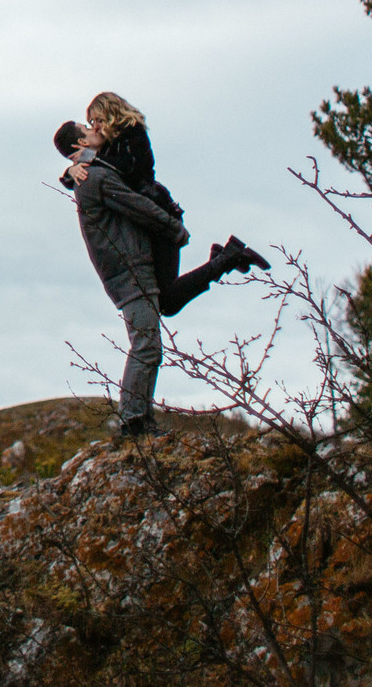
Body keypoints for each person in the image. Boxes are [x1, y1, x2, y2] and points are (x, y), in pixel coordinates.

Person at [69, 92, 268, 316]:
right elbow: (87, 177)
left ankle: (227, 257)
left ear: (110, 114)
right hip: (151, 220)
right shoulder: (110, 148)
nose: (94, 127)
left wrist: (91, 159)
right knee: (165, 301)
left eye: (96, 121)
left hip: (160, 215)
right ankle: (222, 260)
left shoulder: (133, 134)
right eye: (91, 124)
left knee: (167, 302)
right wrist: (71, 169)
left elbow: (126, 170)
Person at [55, 118, 182, 437]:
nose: (94, 128)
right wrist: (173, 227)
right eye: (87, 128)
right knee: (147, 346)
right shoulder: (94, 177)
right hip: (129, 271)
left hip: (129, 269)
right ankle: (134, 422)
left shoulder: (90, 172)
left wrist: (69, 172)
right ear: (79, 144)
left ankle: (138, 420)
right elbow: (135, 205)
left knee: (148, 345)